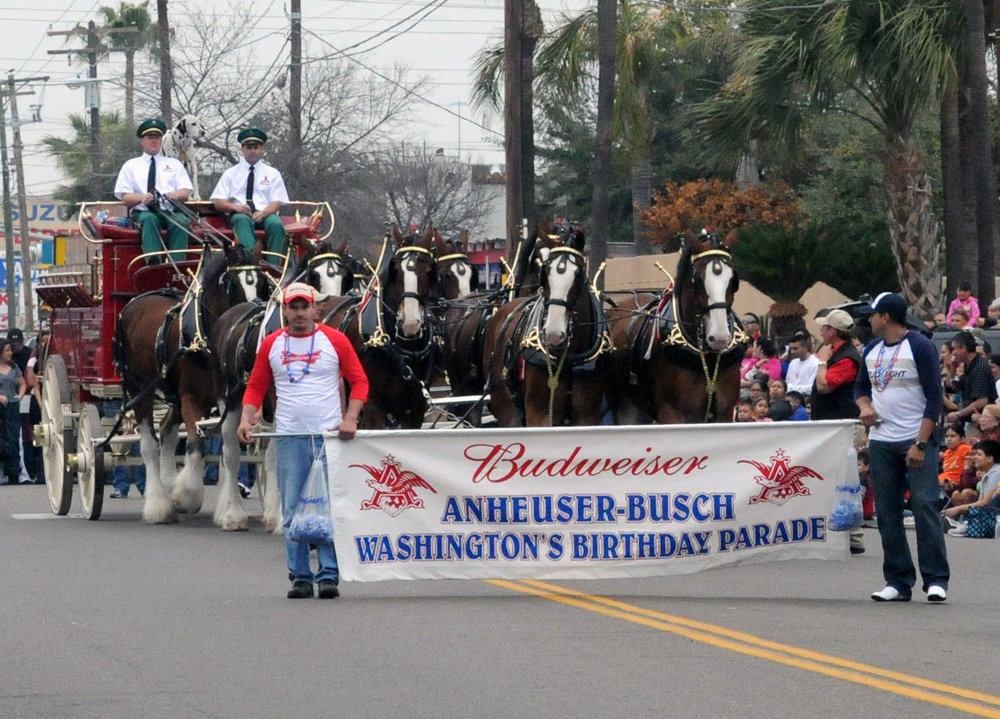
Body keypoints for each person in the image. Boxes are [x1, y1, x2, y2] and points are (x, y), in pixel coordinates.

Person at [238, 282, 369, 599]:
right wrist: (247, 416)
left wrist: (350, 418)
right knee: (294, 507)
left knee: (328, 505)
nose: (298, 313)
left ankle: (328, 574)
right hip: (290, 436)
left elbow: (359, 381)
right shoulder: (271, 344)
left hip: (328, 437)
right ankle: (299, 576)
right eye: (292, 307)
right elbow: (256, 386)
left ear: (315, 309)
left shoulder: (334, 341)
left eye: (304, 306)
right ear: (285, 310)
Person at [856, 292, 949, 603]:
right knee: (887, 512)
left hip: (915, 439)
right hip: (882, 441)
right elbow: (860, 388)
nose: (868, 319)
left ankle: (935, 579)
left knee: (924, 506)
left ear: (886, 317)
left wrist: (921, 443)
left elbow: (934, 399)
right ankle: (897, 580)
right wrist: (865, 406)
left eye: (872, 314)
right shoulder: (871, 350)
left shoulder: (919, 346)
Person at [811, 308, 865, 554]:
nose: (821, 330)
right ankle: (843, 533)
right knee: (836, 476)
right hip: (833, 425)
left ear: (832, 331)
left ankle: (854, 536)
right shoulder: (839, 353)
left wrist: (822, 361)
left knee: (844, 478)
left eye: (824, 327)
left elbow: (825, 386)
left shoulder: (846, 358)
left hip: (844, 426)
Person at [114, 117, 194, 262]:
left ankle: (177, 263)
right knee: (149, 219)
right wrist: (141, 198)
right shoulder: (131, 166)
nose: (154, 141)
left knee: (181, 220)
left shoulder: (174, 164)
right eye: (150, 137)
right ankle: (153, 262)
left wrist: (175, 195)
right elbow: (125, 198)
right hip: (143, 212)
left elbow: (185, 192)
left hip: (169, 210)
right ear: (142, 141)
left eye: (157, 137)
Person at [210, 128, 289, 260]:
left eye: (256, 147)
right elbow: (218, 201)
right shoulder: (230, 173)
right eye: (248, 147)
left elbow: (276, 202)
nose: (252, 151)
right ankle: (251, 263)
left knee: (276, 224)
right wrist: (236, 207)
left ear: (262, 149)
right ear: (242, 149)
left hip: (265, 214)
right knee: (242, 220)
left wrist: (263, 213)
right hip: (240, 214)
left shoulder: (273, 173)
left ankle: (274, 268)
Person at [941, 439, 1000, 538]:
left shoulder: (997, 472)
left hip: (995, 514)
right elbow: (963, 488)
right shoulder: (987, 474)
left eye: (979, 455)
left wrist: (958, 509)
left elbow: (986, 503)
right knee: (957, 494)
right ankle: (961, 522)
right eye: (974, 454)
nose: (974, 458)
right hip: (990, 512)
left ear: (990, 458)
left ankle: (964, 524)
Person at [945, 332, 996, 429]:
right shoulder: (968, 366)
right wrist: (953, 368)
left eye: (954, 348)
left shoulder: (979, 369)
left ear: (964, 348)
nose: (953, 353)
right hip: (969, 421)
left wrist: (958, 414)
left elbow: (981, 401)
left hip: (980, 424)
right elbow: (951, 389)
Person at [0, 340, 26, 484]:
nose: (10, 353)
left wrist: (20, 395)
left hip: (11, 407)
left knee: (13, 439)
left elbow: (22, 383)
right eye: (7, 350)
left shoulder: (14, 367)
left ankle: (14, 472)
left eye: (10, 350)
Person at [785, 332, 819, 398]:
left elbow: (811, 388)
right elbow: (787, 382)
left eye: (795, 348)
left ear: (805, 348)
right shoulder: (793, 363)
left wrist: (790, 387)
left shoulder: (815, 363)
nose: (792, 351)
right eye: (791, 349)